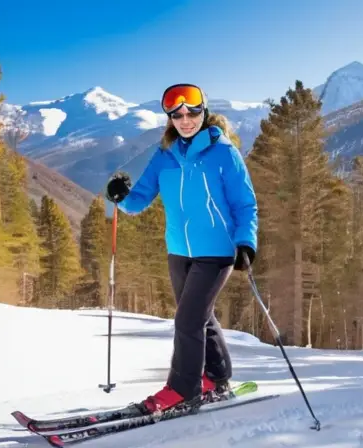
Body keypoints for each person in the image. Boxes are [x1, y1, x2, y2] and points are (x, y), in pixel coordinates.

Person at [104, 83, 258, 414]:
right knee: (199, 317)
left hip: (218, 251)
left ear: (204, 113)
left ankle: (182, 389)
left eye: (192, 113)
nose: (186, 120)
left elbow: (245, 204)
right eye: (178, 115)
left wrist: (246, 242)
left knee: (187, 321)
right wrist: (121, 195)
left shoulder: (223, 152)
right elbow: (139, 200)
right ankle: (216, 378)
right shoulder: (164, 155)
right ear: (170, 119)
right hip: (179, 251)